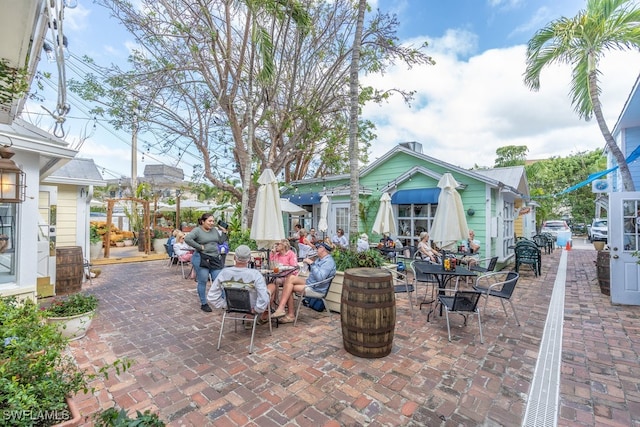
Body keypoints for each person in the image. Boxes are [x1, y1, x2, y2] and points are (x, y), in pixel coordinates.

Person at [207, 245, 274, 327]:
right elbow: (263, 298)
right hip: (250, 307)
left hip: (232, 305)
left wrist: (225, 305)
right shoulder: (255, 274)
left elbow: (211, 295)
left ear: (235, 257)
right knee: (272, 286)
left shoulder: (224, 273)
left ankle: (251, 318)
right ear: (249, 259)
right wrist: (257, 309)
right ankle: (262, 316)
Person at [272, 241, 336, 323]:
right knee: (290, 278)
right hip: (311, 282)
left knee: (288, 287)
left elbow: (320, 278)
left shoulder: (328, 262)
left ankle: (288, 313)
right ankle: (282, 309)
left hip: (316, 288)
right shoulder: (320, 259)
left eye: (318, 247)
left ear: (323, 249)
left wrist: (312, 264)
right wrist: (308, 264)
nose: (316, 249)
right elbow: (313, 272)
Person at [185, 213, 225, 312]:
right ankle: (204, 303)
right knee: (203, 280)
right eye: (210, 221)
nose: (212, 223)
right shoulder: (197, 230)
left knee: (219, 280)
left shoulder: (214, 230)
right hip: (201, 258)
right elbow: (187, 239)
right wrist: (199, 247)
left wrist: (224, 232)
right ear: (203, 221)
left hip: (214, 257)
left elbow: (220, 242)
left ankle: (225, 301)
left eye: (213, 221)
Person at [269, 239, 300, 310]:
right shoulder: (277, 254)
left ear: (284, 246)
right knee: (271, 281)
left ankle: (276, 303)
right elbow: (272, 266)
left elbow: (294, 267)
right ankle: (273, 303)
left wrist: (285, 268)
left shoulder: (291, 254)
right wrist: (273, 254)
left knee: (275, 281)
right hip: (278, 275)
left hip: (288, 277)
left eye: (278, 244)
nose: (276, 246)